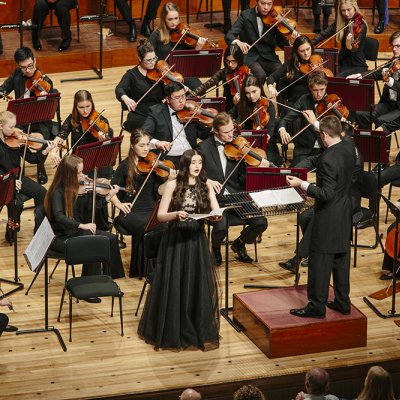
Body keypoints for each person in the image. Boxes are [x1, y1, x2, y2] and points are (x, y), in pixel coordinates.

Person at [138, 149, 220, 351]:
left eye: (200, 162)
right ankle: (173, 328)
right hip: (176, 240)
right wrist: (176, 214)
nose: (197, 166)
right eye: (193, 162)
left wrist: (215, 216)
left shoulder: (206, 184)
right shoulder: (173, 185)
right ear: (185, 165)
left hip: (197, 239)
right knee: (175, 282)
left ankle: (194, 327)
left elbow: (216, 211)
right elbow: (161, 216)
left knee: (196, 282)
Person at [287, 115, 356, 318]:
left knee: (319, 263)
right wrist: (318, 123)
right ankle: (343, 302)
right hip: (345, 212)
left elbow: (326, 194)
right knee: (340, 261)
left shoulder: (327, 159)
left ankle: (316, 306)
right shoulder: (349, 146)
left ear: (324, 135)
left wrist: (302, 184)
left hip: (328, 217)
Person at [279, 122, 363, 273]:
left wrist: (306, 185)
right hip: (330, 199)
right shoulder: (336, 151)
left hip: (346, 202)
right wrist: (295, 170)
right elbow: (314, 160)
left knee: (316, 220)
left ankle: (297, 259)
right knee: (305, 217)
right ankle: (314, 251)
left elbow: (338, 188)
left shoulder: (353, 158)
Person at [44, 154, 125, 289]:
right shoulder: (57, 192)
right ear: (68, 174)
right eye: (79, 173)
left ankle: (110, 280)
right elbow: (59, 217)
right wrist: (82, 225)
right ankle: (90, 286)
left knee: (111, 239)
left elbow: (92, 208)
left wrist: (109, 196)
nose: (83, 176)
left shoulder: (78, 188)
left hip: (76, 231)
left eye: (82, 171)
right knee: (94, 243)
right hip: (61, 237)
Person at [198, 112, 269, 265]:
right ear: (215, 131)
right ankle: (215, 248)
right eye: (226, 132)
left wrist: (257, 164)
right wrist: (207, 180)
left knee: (261, 222)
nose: (232, 134)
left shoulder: (239, 145)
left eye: (232, 130)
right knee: (221, 227)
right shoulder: (203, 148)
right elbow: (193, 173)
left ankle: (239, 243)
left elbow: (244, 176)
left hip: (237, 194)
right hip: (215, 197)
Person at [111, 129, 176, 278]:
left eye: (147, 144)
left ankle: (163, 266)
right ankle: (143, 269)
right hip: (131, 211)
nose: (146, 148)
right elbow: (111, 190)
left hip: (152, 208)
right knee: (144, 226)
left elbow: (160, 191)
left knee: (166, 224)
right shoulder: (125, 166)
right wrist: (119, 205)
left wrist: (170, 181)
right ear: (133, 146)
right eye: (141, 145)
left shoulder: (155, 165)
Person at [0, 47, 56, 184]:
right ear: (19, 66)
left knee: (43, 137)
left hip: (39, 121)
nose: (28, 70)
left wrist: (45, 99)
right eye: (23, 67)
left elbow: (52, 107)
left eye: (30, 66)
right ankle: (18, 168)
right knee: (14, 138)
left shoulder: (44, 81)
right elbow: (5, 87)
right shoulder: (17, 75)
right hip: (20, 119)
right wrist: (1, 91)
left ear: (35, 61)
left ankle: (40, 165)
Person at [0, 110, 54, 245]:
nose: (15, 130)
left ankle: (39, 230)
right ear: (1, 126)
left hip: (18, 178)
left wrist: (45, 150)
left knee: (42, 193)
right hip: (4, 182)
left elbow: (32, 158)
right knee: (17, 204)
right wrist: (10, 181)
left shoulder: (17, 139)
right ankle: (11, 231)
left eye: (15, 126)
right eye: (11, 127)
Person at [142, 81, 210, 168]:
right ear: (167, 99)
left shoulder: (190, 110)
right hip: (169, 158)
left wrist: (214, 129)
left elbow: (202, 133)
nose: (182, 101)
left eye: (183, 96)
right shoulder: (156, 112)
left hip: (191, 155)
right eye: (177, 98)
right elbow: (144, 133)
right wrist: (157, 142)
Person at [225, 0, 291, 86]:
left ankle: (280, 99)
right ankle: (257, 98)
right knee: (260, 74)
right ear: (257, 1)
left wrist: (292, 41)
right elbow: (229, 35)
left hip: (269, 57)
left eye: (269, 4)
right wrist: (237, 42)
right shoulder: (245, 15)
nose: (266, 7)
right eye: (263, 3)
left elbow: (282, 43)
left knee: (281, 74)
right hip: (250, 57)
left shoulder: (274, 18)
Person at [352, 31, 400, 148]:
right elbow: (377, 73)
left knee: (382, 121)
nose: (394, 49)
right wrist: (359, 75)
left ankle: (383, 162)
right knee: (361, 114)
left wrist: (391, 82)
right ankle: (364, 148)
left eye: (398, 46)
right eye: (392, 46)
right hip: (389, 103)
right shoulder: (394, 61)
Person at [267, 35, 333, 115]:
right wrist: (270, 86)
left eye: (308, 49)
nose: (306, 53)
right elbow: (272, 77)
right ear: (297, 51)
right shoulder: (292, 63)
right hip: (296, 102)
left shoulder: (316, 59)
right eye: (302, 51)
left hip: (314, 100)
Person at [48, 89, 113, 168]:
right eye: (81, 107)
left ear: (92, 104)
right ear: (76, 106)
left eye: (88, 106)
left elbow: (108, 149)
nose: (85, 111)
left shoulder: (101, 120)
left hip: (96, 158)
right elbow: (61, 136)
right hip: (77, 160)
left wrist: (102, 141)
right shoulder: (72, 119)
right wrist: (54, 151)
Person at [148, 2, 206, 89]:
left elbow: (191, 61)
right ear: (164, 19)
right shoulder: (156, 35)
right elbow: (147, 55)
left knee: (199, 90)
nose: (174, 23)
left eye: (176, 18)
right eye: (170, 19)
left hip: (183, 71)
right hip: (164, 74)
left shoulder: (184, 33)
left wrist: (198, 48)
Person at [278, 70, 328, 167]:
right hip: (304, 151)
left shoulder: (332, 102)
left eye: (322, 89)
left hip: (325, 151)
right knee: (294, 172)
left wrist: (315, 123)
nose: (319, 94)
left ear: (326, 86)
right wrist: (282, 130)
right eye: (315, 90)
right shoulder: (304, 99)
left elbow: (334, 132)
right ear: (310, 88)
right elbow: (285, 119)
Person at [115, 40, 164, 133]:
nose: (153, 63)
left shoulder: (159, 72)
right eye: (149, 60)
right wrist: (126, 98)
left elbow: (168, 92)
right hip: (139, 113)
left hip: (158, 109)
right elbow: (119, 88)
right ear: (140, 59)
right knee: (151, 128)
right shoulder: (132, 75)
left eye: (154, 58)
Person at [231, 74, 280, 165]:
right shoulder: (242, 103)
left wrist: (265, 135)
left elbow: (270, 129)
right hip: (244, 144)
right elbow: (229, 116)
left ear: (260, 89)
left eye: (254, 91)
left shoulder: (268, 105)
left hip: (265, 144)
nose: (251, 96)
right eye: (247, 93)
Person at [311, 0, 367, 77]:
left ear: (354, 8)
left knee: (336, 77)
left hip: (356, 64)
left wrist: (349, 46)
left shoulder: (361, 25)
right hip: (341, 61)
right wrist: (309, 43)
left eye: (349, 10)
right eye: (343, 10)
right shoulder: (341, 23)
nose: (346, 13)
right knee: (323, 73)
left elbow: (354, 49)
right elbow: (323, 34)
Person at [192, 44, 249, 113]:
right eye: (227, 61)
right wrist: (191, 95)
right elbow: (205, 85)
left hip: (246, 104)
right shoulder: (224, 72)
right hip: (229, 105)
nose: (230, 64)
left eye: (233, 61)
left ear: (239, 59)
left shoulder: (246, 71)